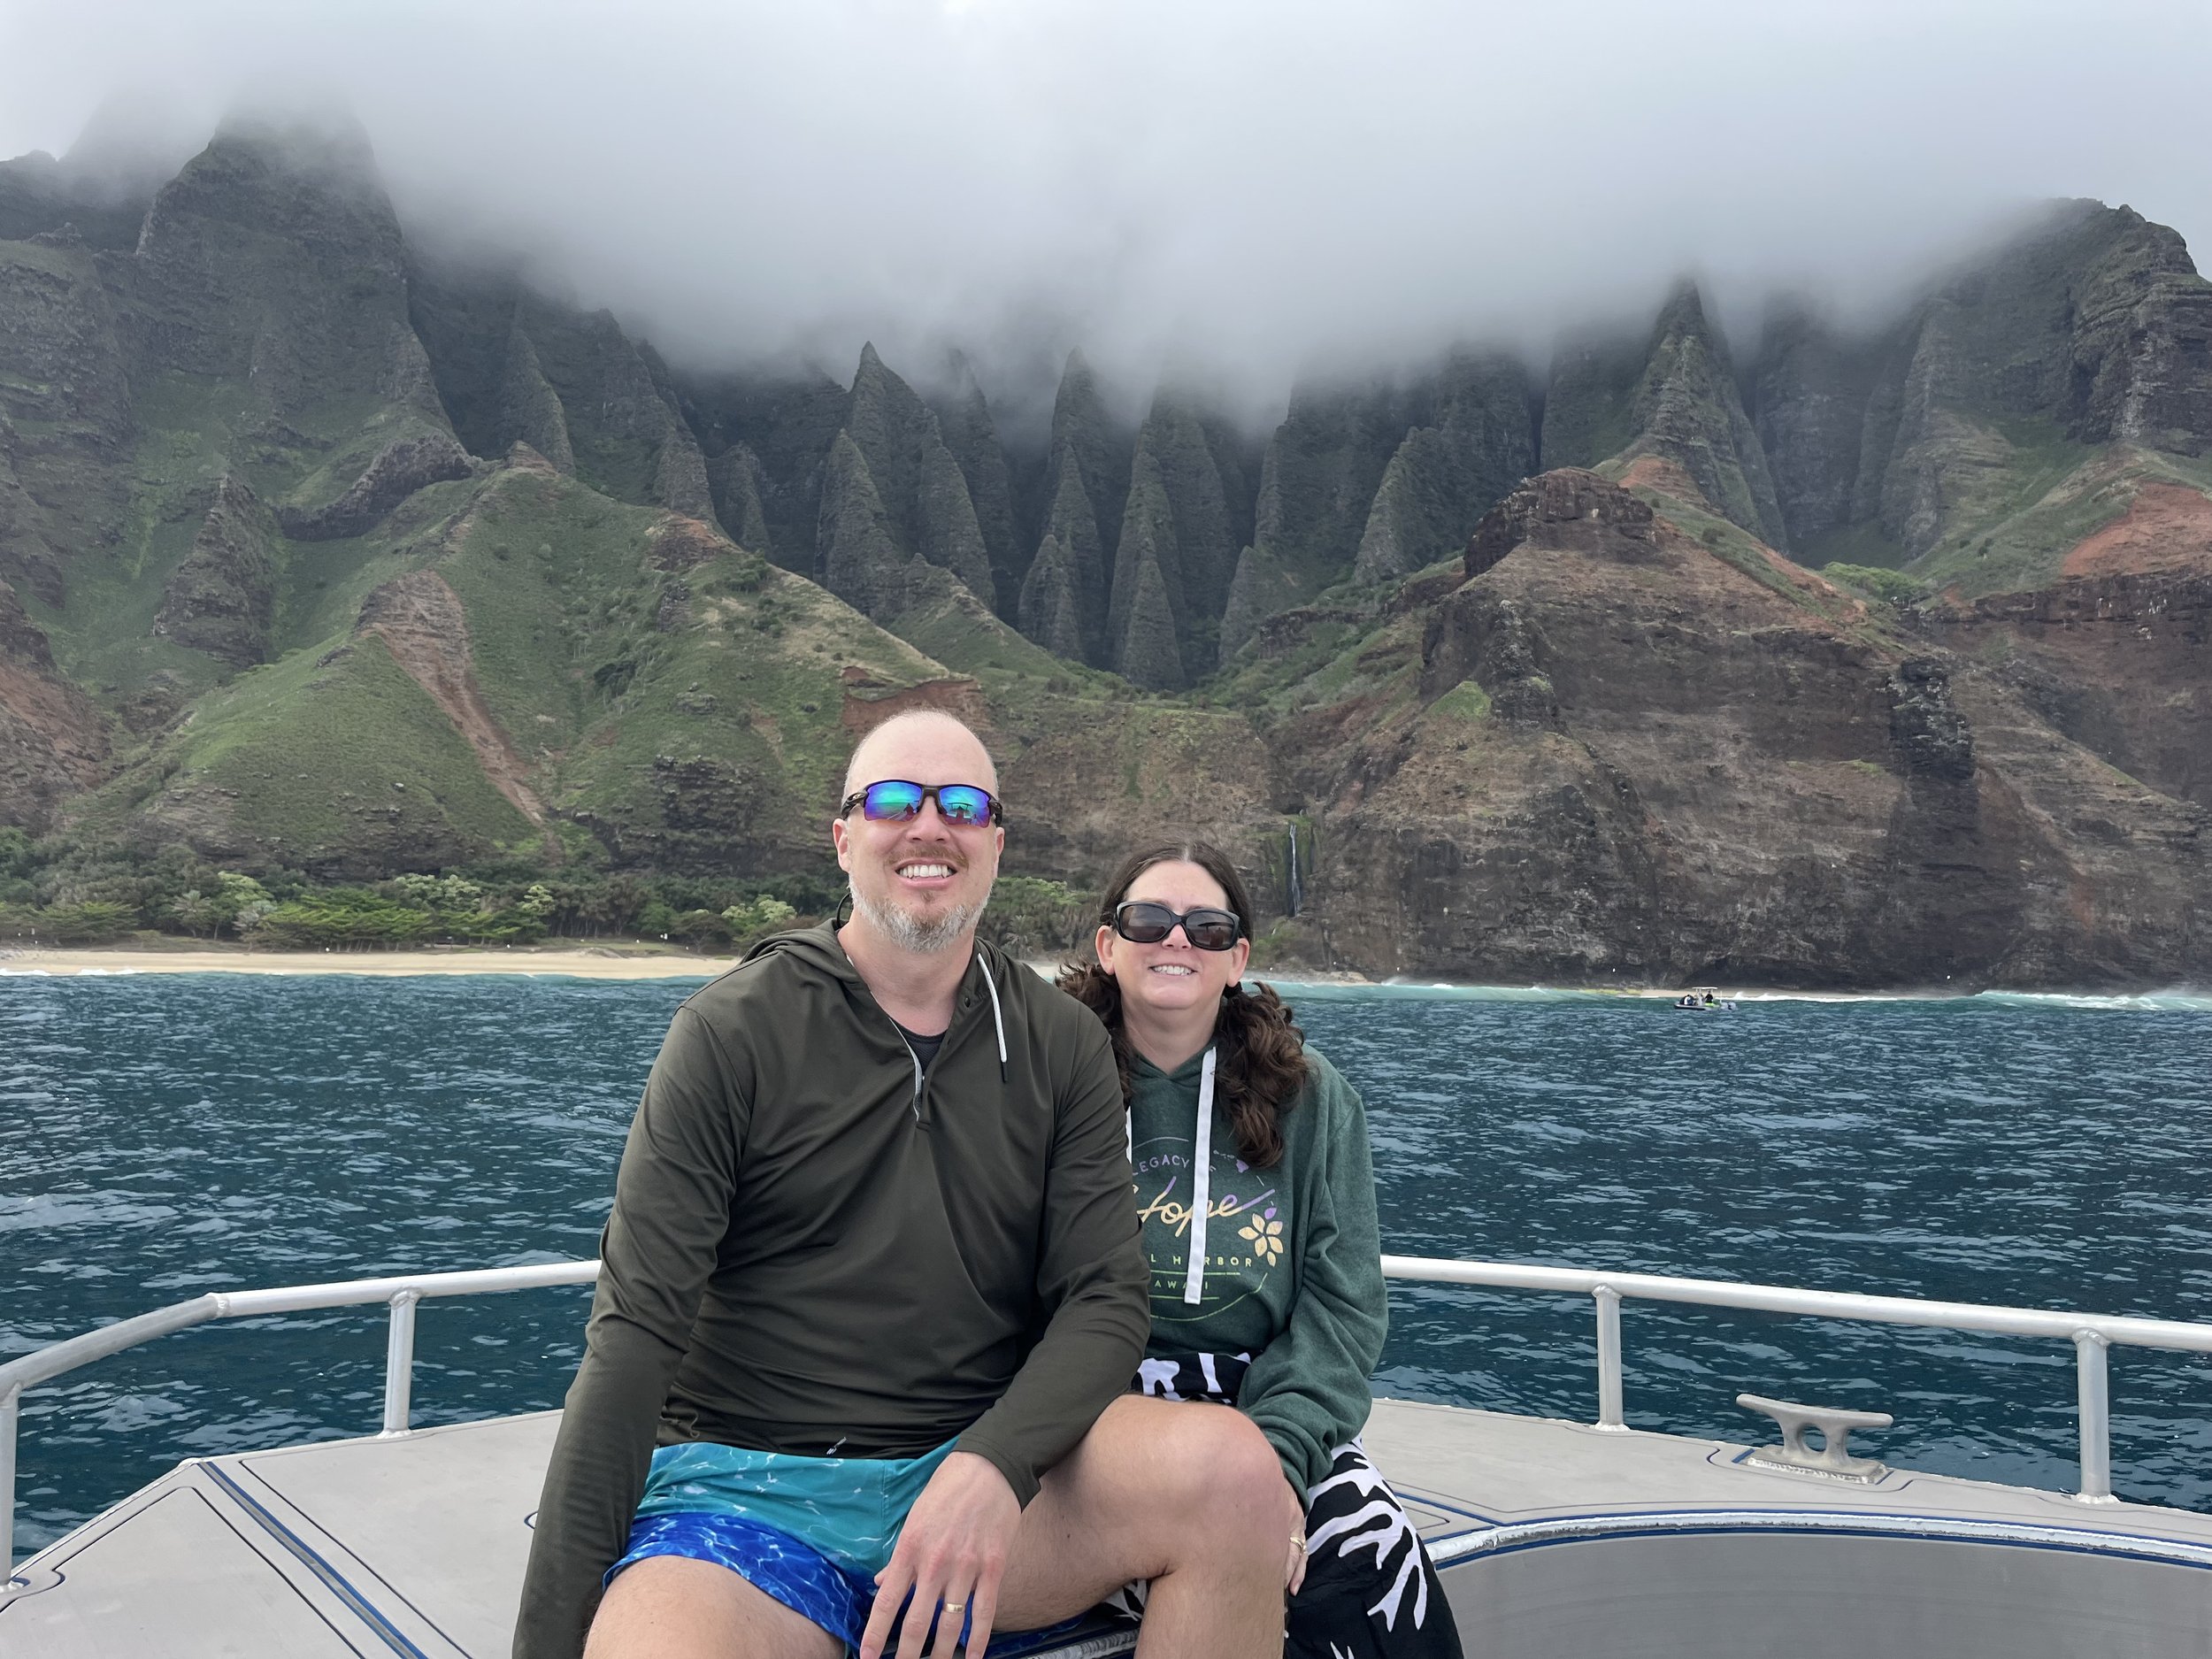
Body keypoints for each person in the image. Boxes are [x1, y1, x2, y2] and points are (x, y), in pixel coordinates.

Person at [516, 711, 1297, 1659]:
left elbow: (1103, 1298)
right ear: (844, 838)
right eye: (893, 799)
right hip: (743, 1499)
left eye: (963, 805)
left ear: (996, 845)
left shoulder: (1060, 1045)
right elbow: (633, 1340)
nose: (930, 825)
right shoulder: (730, 1035)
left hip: (978, 1485)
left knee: (1236, 1478)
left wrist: (993, 1464)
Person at [1058, 842, 1466, 1659]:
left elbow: (1343, 1308)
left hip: (1263, 1403)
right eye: (1149, 920)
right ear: (1108, 945)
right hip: (1095, 1412)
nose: (1177, 940)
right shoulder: (1047, 1085)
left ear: (1237, 958)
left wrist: (1277, 1460)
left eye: (1207, 928)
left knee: (1371, 1566)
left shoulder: (1313, 1100)